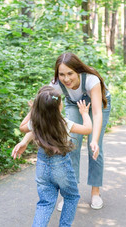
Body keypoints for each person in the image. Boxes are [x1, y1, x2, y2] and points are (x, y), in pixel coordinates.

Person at [12, 86, 96, 227]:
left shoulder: (36, 122)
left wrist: (33, 110)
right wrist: (84, 113)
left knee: (45, 202)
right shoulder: (64, 123)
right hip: (61, 165)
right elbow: (87, 129)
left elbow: (22, 127)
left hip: (42, 165)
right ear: (58, 107)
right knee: (71, 196)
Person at [50, 52, 111, 210]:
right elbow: (42, 105)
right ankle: (69, 194)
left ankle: (95, 193)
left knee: (94, 148)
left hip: (99, 106)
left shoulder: (92, 80)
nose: (67, 79)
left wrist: (95, 140)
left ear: (78, 70)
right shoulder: (56, 84)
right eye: (62, 74)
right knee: (71, 145)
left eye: (70, 73)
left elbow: (97, 113)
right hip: (74, 105)